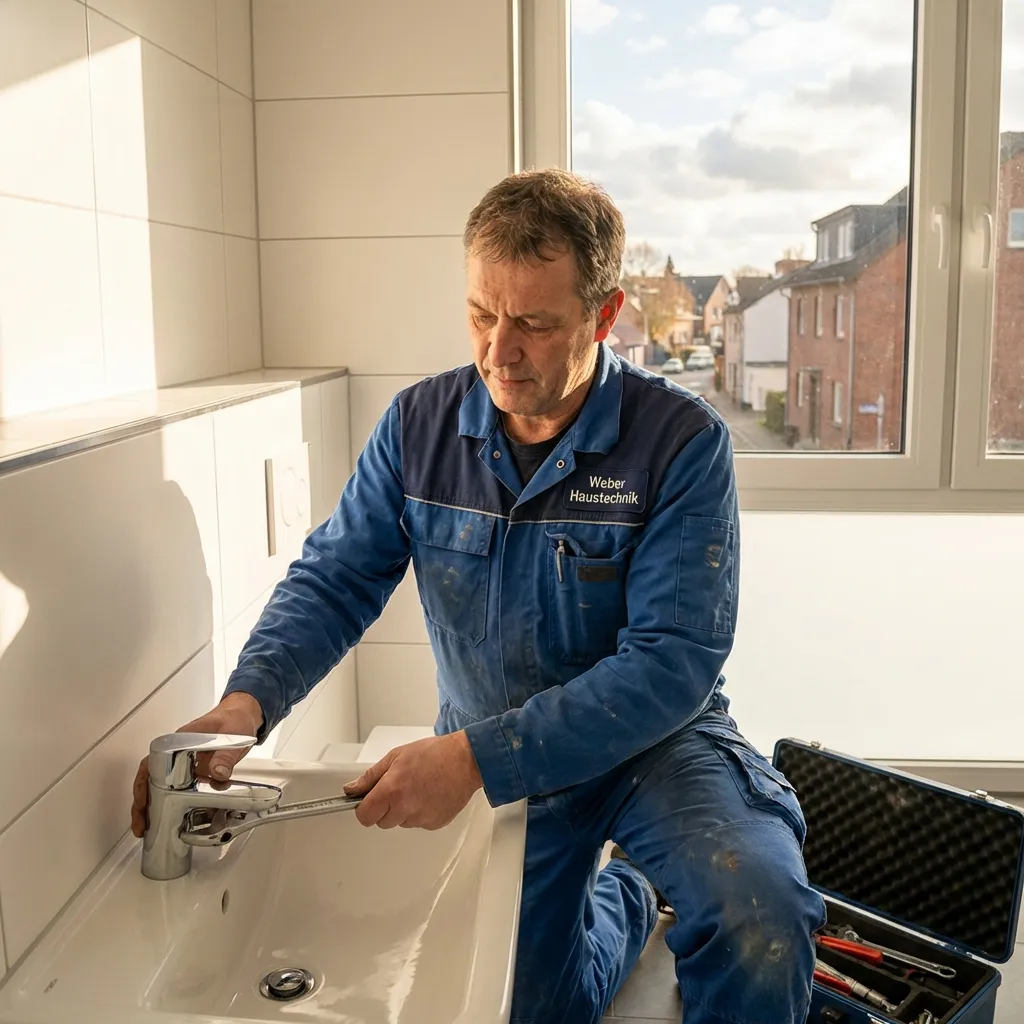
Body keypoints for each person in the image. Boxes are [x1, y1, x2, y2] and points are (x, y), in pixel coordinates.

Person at [131, 169, 825, 1024]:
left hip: (652, 747)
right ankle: (630, 895)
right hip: (497, 754)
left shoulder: (681, 442)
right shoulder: (418, 428)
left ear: (604, 315)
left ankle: (651, 876)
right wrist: (246, 704)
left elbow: (672, 663)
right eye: (480, 316)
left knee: (759, 913)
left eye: (534, 323)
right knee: (522, 1008)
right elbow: (337, 577)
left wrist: (473, 760)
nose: (499, 351)